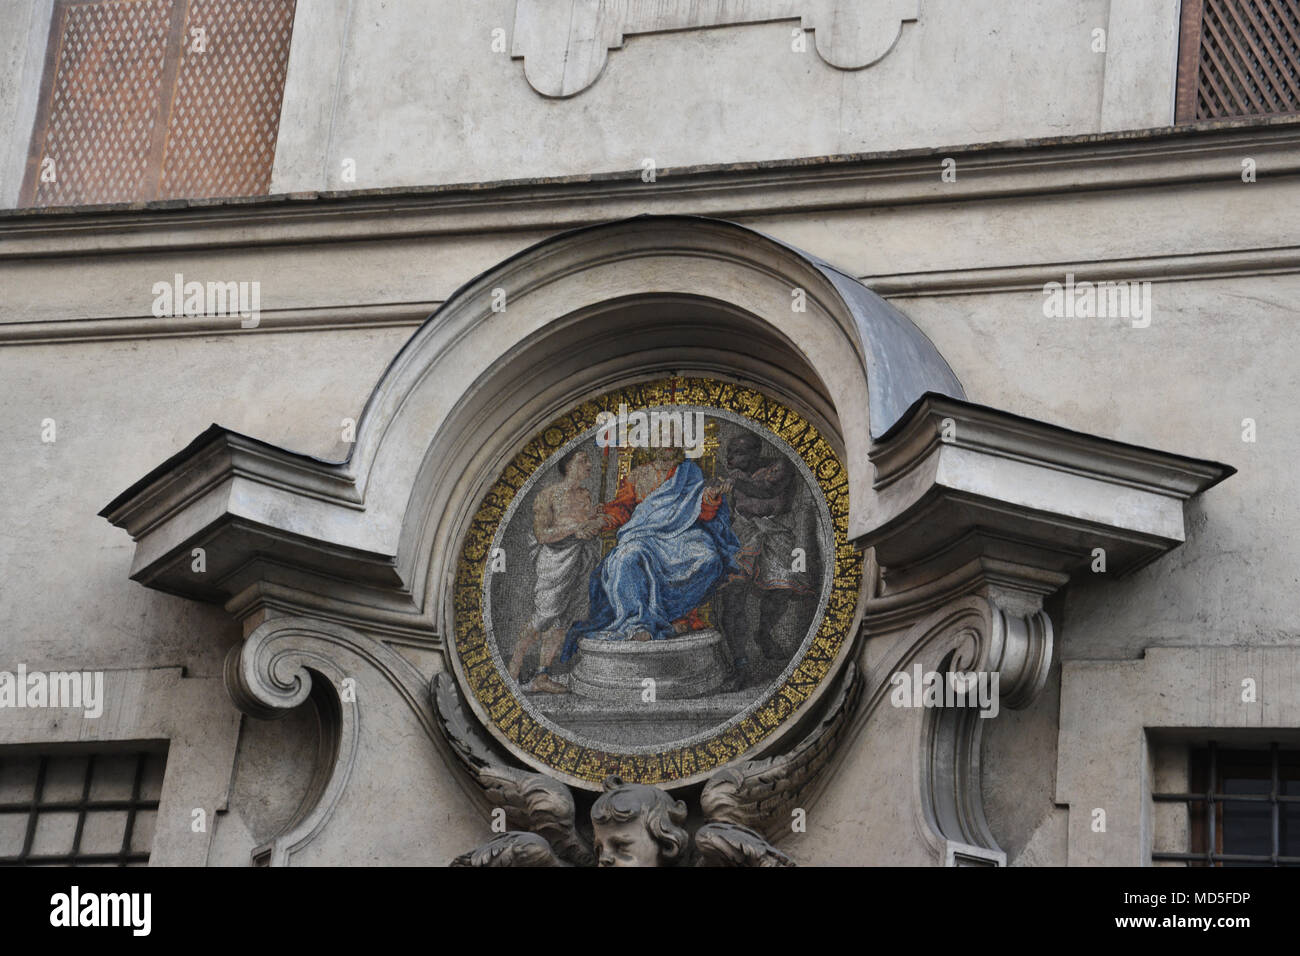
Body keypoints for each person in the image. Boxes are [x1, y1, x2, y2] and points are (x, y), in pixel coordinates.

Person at [560, 446, 741, 661]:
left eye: (675, 439)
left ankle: (675, 615)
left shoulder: (690, 472)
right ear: (653, 446)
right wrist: (600, 521)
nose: (670, 444)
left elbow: (702, 512)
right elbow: (622, 509)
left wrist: (710, 496)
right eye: (665, 439)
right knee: (627, 558)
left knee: (709, 559)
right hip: (643, 535)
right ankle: (638, 622)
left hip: (682, 534)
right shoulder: (637, 476)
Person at [508, 449, 605, 694]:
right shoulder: (548, 495)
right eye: (583, 460)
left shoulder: (585, 495)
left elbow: (584, 528)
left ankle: (542, 675)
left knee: (562, 621)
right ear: (568, 465)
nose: (589, 465)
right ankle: (511, 671)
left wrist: (594, 521)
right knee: (544, 617)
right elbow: (542, 535)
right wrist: (576, 528)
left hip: (579, 561)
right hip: (555, 562)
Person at [717, 432, 813, 669]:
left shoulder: (779, 466)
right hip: (742, 533)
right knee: (733, 593)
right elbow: (726, 512)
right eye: (729, 452)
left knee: (781, 588)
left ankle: (764, 632)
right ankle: (739, 661)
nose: (731, 458)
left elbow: (766, 490)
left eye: (738, 453)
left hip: (774, 531)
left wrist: (736, 483)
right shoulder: (732, 475)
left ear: (754, 452)